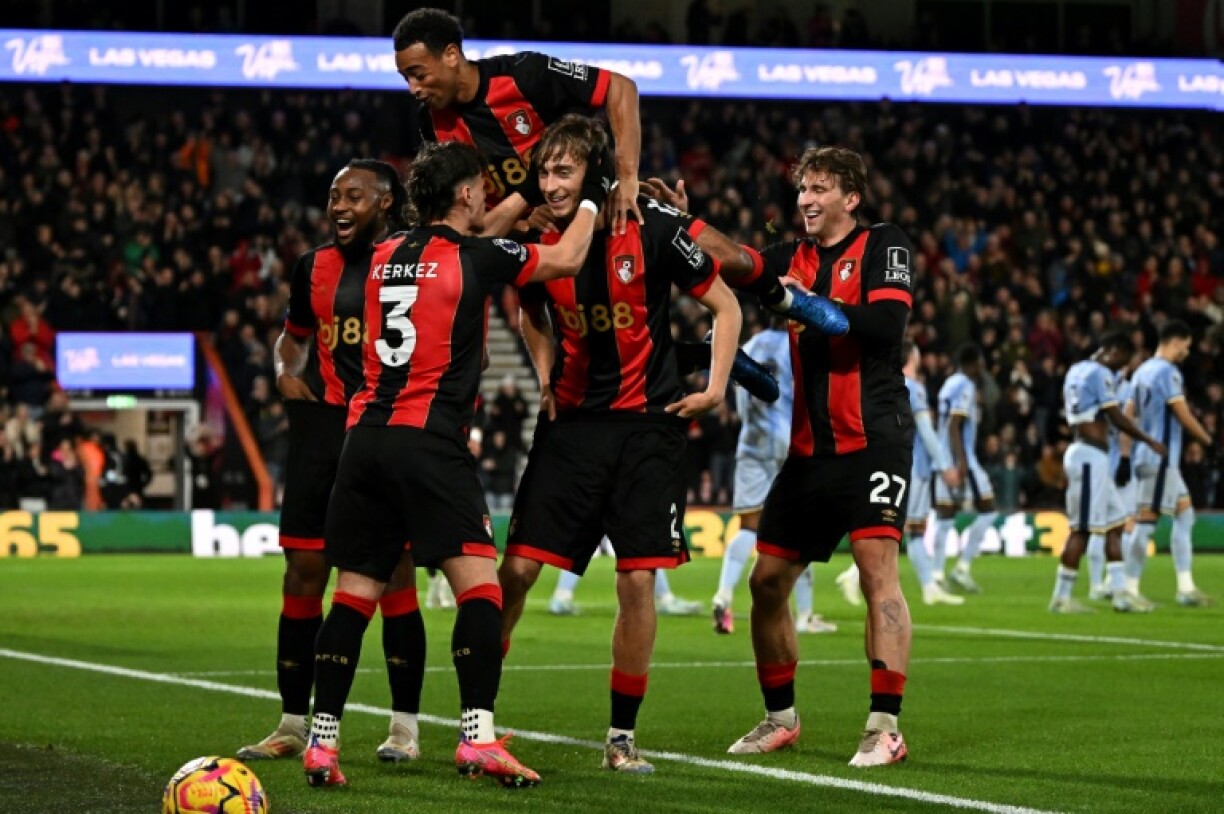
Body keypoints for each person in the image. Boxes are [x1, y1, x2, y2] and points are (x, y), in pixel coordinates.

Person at [303, 139, 611, 789]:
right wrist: (591, 194)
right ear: (468, 193)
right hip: (430, 442)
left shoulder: (383, 253)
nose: (488, 199)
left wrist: (509, 207)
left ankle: (321, 745)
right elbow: (566, 257)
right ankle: (477, 737)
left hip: (364, 440)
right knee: (480, 588)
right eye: (482, 190)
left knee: (354, 594)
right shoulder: (477, 255)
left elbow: (457, 244)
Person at [498, 115, 743, 775]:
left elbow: (725, 305)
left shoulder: (653, 227)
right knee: (515, 573)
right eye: (544, 171)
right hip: (571, 429)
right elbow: (529, 310)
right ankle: (478, 722)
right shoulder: (537, 239)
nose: (550, 184)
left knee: (637, 582)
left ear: (596, 173)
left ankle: (621, 739)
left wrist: (716, 387)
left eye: (563, 170)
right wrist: (544, 375)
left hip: (646, 430)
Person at [698, 146, 914, 767]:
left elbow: (885, 326)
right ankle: (780, 718)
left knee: (876, 570)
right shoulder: (788, 257)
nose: (806, 200)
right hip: (810, 450)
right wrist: (680, 222)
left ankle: (885, 726)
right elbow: (736, 261)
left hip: (875, 439)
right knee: (766, 582)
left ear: (851, 197)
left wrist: (803, 305)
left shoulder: (884, 244)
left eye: (820, 188)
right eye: (802, 189)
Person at [239, 160, 428, 767]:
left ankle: (404, 728)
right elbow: (293, 335)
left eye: (353, 196)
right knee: (303, 571)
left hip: (384, 426)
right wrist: (283, 370)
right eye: (333, 196)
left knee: (394, 574)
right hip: (321, 431)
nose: (339, 206)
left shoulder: (414, 262)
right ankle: (293, 723)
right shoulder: (312, 266)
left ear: (386, 202)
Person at [393, 7, 642, 232]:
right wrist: (522, 223)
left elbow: (620, 87)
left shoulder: (524, 75)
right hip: (514, 240)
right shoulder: (430, 121)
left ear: (451, 55)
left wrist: (628, 179)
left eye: (419, 75)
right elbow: (457, 211)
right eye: (407, 79)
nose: (413, 89)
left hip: (587, 217)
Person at [713, 317, 836, 633]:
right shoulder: (798, 345)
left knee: (748, 527)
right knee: (799, 529)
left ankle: (723, 595)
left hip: (752, 442)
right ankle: (805, 614)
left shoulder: (751, 345)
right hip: (790, 443)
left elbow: (741, 400)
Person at [837, 341, 966, 607]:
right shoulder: (914, 388)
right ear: (912, 357)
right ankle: (853, 575)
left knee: (907, 530)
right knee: (901, 529)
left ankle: (929, 587)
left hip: (885, 464)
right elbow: (926, 432)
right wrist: (945, 465)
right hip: (912, 468)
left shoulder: (884, 383)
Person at [1048, 333, 1166, 614]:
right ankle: (1061, 597)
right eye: (1123, 359)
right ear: (1113, 351)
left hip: (1090, 455)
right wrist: (1148, 440)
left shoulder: (1076, 370)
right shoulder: (1099, 372)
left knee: (1115, 523)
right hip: (1089, 456)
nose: (1123, 366)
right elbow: (1115, 416)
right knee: (1082, 530)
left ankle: (1120, 593)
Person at [1126, 320, 1215, 607]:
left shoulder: (1141, 371)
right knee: (1145, 524)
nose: (1186, 353)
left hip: (1149, 457)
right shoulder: (1167, 371)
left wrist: (1128, 452)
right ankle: (1128, 590)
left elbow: (1128, 414)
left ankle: (1186, 588)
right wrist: (1207, 440)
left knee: (1185, 516)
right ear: (1175, 342)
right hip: (1160, 459)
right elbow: (1182, 412)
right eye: (1185, 347)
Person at [932, 345, 996, 594]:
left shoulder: (949, 383)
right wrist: (962, 462)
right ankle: (962, 567)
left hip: (941, 458)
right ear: (974, 363)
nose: (982, 367)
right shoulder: (966, 385)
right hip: (961, 459)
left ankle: (937, 575)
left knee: (945, 517)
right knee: (988, 509)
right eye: (980, 363)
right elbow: (954, 425)